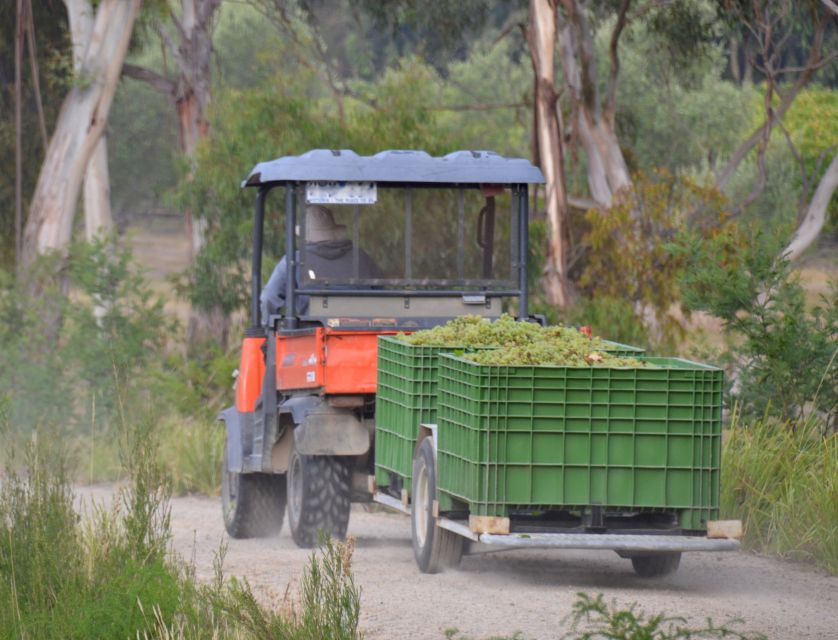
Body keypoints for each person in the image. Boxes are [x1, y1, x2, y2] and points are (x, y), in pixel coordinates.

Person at [260, 204, 382, 321]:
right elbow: (382, 297)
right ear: (334, 232)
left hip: (312, 334)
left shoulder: (293, 260)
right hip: (363, 333)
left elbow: (269, 298)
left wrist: (269, 328)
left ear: (305, 235)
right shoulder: (361, 257)